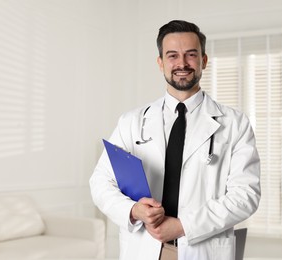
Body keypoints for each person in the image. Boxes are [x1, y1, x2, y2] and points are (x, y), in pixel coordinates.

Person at [89, 20, 260, 260]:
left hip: (202, 248)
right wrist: (134, 210)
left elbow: (246, 196)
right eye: (172, 56)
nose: (182, 63)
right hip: (144, 247)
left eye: (191, 55)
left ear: (204, 61)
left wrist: (183, 226)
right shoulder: (132, 121)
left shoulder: (235, 123)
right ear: (160, 63)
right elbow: (100, 182)